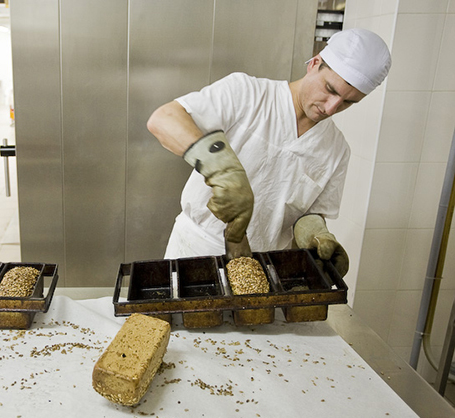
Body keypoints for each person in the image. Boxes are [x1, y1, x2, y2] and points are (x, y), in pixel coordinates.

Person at [147, 28, 392, 277]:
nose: (331, 108)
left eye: (349, 102)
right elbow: (164, 119)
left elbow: (310, 213)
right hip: (194, 251)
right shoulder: (248, 95)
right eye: (331, 89)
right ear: (315, 63)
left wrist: (316, 233)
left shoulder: (336, 150)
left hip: (265, 271)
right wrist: (220, 169)